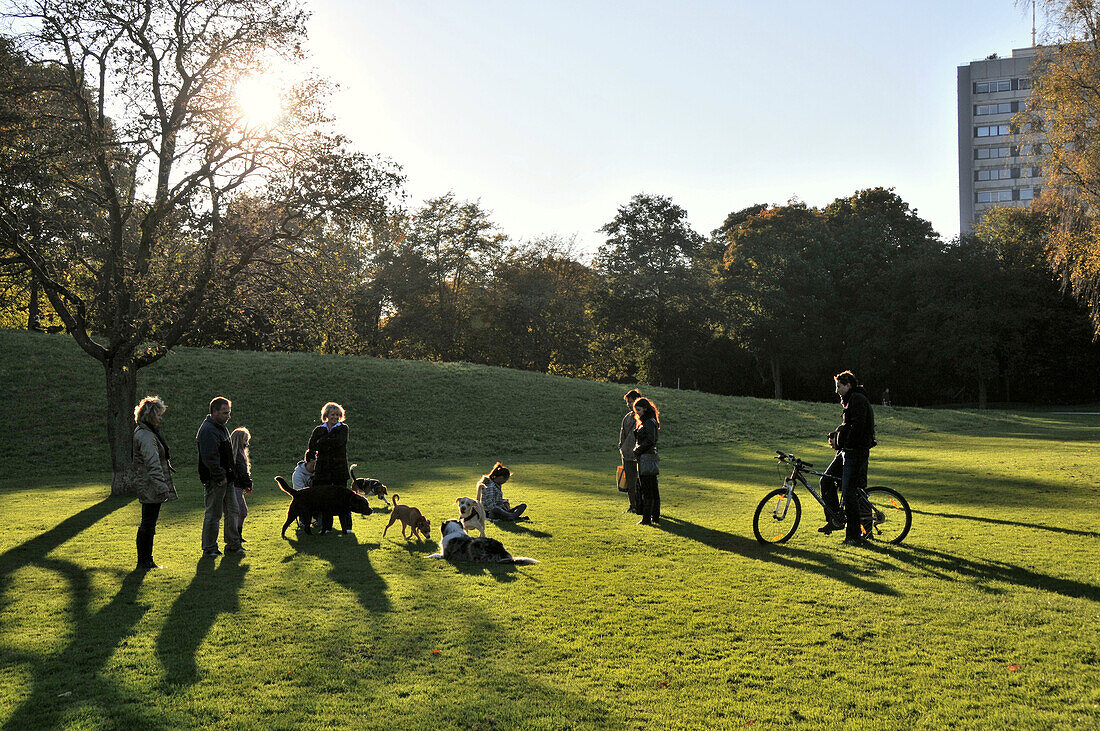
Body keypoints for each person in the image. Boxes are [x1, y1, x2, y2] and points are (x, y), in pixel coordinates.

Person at [818, 370, 877, 546]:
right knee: (826, 481)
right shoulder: (851, 399)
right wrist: (836, 436)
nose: (836, 390)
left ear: (848, 385)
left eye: (839, 386)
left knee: (850, 492)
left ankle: (853, 536)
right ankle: (835, 519)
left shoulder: (857, 399)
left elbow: (858, 428)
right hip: (847, 450)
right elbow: (848, 425)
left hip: (855, 451)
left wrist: (842, 442)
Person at [131, 395, 178, 569]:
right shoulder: (146, 435)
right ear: (150, 415)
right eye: (158, 414)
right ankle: (145, 560)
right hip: (150, 484)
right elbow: (153, 464)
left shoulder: (146, 433)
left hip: (148, 483)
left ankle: (145, 559)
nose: (160, 418)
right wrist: (162, 487)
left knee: (148, 522)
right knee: (148, 523)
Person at [197, 396, 241, 556]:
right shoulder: (208, 430)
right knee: (213, 514)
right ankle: (209, 548)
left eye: (229, 413)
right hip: (217, 480)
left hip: (226, 478)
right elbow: (210, 457)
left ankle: (233, 544)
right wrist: (219, 476)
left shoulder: (219, 427)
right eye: (225, 413)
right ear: (214, 412)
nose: (228, 416)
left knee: (233, 511)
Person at [307, 402, 351, 534]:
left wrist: (322, 442)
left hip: (339, 469)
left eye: (338, 415)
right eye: (333, 414)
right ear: (326, 415)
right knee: (325, 499)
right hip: (323, 469)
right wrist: (324, 442)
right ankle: (327, 527)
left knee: (342, 497)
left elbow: (339, 442)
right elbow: (312, 446)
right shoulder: (318, 429)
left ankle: (347, 527)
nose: (335, 417)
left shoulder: (343, 428)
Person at [632, 397, 661, 526]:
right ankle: (654, 516)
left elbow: (650, 440)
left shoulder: (648, 422)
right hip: (649, 456)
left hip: (646, 457)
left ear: (645, 408)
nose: (636, 413)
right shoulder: (650, 421)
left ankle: (647, 519)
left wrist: (637, 450)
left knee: (647, 488)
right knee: (652, 488)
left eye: (638, 410)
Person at [618, 389, 643, 514]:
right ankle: (632, 505)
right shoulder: (627, 417)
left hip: (638, 455)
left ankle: (641, 505)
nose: (628, 404)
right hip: (626, 454)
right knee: (629, 482)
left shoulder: (642, 417)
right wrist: (621, 447)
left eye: (630, 401)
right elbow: (622, 434)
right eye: (627, 402)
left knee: (639, 482)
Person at [229, 427, 254, 543]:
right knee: (241, 512)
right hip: (237, 487)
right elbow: (243, 472)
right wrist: (248, 484)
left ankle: (237, 536)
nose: (247, 443)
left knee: (240, 512)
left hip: (237, 486)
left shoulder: (235, 455)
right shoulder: (238, 456)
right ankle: (237, 536)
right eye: (245, 440)